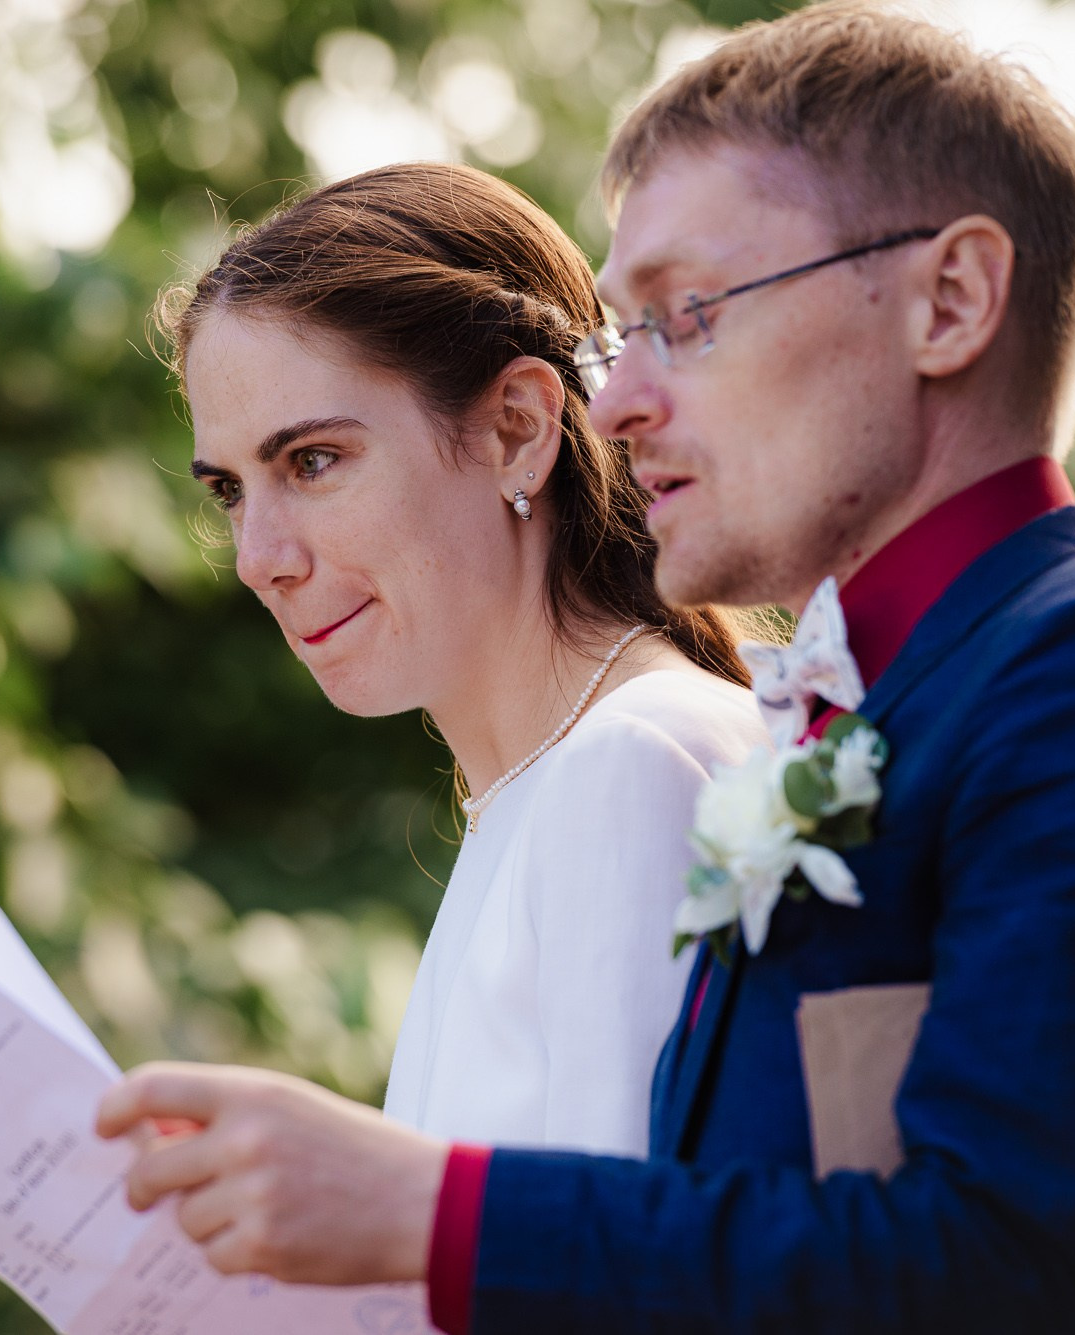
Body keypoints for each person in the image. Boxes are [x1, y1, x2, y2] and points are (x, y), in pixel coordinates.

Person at [95, 4, 1075, 1332]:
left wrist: (429, 1213)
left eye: (688, 316)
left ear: (952, 299)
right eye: (622, 333)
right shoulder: (881, 714)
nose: (621, 399)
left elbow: (1010, 1267)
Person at [163, 162, 768, 1158]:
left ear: (515, 430)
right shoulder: (534, 797)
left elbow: (641, 1283)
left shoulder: (631, 767)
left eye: (310, 462)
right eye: (229, 490)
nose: (259, 559)